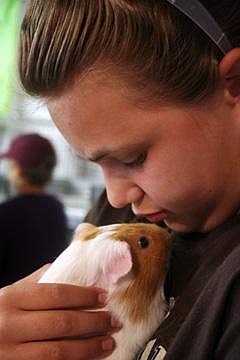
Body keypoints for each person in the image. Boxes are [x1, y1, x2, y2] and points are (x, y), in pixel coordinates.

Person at [0, 0, 239, 358]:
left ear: (233, 85)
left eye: (133, 158)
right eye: (98, 164)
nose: (114, 196)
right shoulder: (118, 216)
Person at [0, 133, 68, 287]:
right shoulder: (56, 208)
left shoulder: (6, 213)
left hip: (10, 301)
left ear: (18, 170)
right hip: (45, 296)